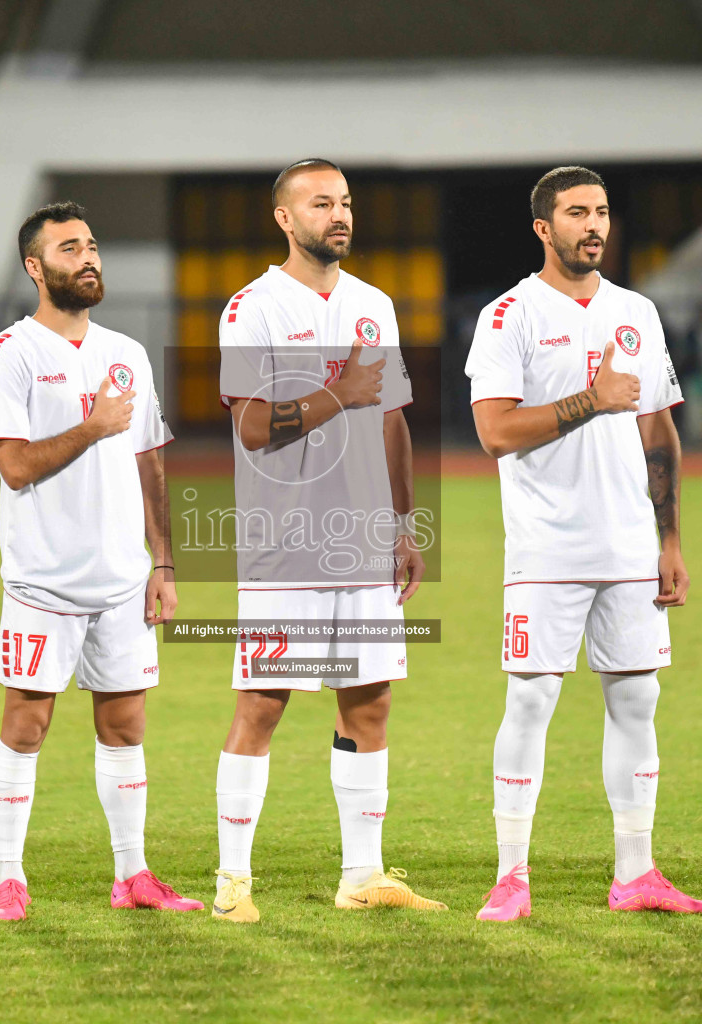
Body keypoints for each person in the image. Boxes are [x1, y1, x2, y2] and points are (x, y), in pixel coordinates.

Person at [464, 167, 702, 921]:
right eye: (577, 213)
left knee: (638, 700)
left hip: (631, 546)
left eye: (602, 211)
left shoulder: (635, 311)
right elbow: (495, 431)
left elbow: (657, 427)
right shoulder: (509, 315)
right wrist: (588, 400)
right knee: (532, 699)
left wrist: (669, 537)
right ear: (544, 228)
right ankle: (512, 876)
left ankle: (636, 873)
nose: (593, 225)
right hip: (546, 547)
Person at [211, 159, 442, 923]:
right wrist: (336, 392)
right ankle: (232, 883)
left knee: (368, 705)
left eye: (345, 203)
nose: (338, 215)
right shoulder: (253, 309)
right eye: (321, 203)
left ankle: (362, 874)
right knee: (264, 704)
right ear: (285, 217)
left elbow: (393, 418)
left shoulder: (374, 305)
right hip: (287, 543)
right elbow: (250, 427)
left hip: (364, 544)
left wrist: (406, 528)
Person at [0, 202, 200, 921]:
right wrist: (92, 423)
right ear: (37, 269)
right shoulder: (10, 354)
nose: (89, 257)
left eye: (93, 245)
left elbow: (149, 458)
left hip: (123, 580)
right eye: (71, 248)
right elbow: (13, 467)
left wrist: (163, 562)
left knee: (126, 725)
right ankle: (9, 878)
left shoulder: (127, 353)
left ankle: (132, 875)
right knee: (26, 725)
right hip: (43, 581)